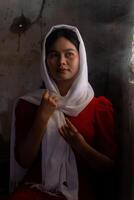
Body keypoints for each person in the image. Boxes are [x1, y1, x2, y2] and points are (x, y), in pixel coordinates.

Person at [9, 24, 117, 200]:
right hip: (37, 188)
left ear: (80, 59)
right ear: (45, 61)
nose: (61, 62)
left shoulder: (98, 106)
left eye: (69, 54)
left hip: (80, 192)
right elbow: (24, 161)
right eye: (53, 55)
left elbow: (109, 168)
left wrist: (80, 145)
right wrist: (42, 118)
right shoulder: (29, 104)